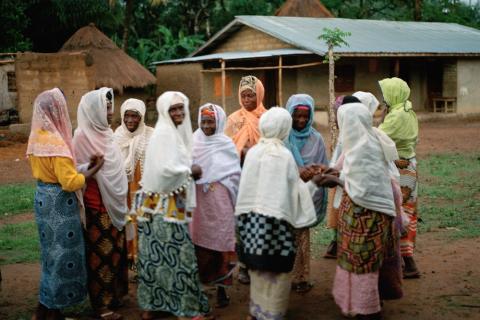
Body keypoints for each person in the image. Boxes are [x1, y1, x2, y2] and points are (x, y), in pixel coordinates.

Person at [315, 102, 399, 320]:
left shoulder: (366, 146)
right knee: (361, 262)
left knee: (364, 263)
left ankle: (369, 310)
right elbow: (344, 167)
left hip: (370, 215)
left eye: (343, 122)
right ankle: (362, 303)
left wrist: (333, 178)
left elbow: (361, 184)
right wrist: (327, 171)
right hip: (360, 214)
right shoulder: (362, 140)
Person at [27, 88, 104, 320]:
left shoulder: (36, 137)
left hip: (42, 198)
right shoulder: (57, 144)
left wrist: (81, 167)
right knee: (62, 255)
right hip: (59, 204)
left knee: (50, 255)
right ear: (55, 110)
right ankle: (52, 309)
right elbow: (70, 182)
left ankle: (45, 307)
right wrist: (94, 169)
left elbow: (56, 172)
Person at [235, 107, 317, 320]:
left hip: (251, 222)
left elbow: (245, 189)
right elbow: (294, 191)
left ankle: (256, 311)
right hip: (277, 226)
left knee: (257, 269)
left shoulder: (253, 153)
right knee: (277, 272)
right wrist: (315, 183)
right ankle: (271, 313)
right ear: (285, 128)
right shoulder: (283, 155)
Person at [135, 91, 210, 320]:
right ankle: (186, 310)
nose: (178, 113)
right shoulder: (165, 134)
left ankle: (154, 306)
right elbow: (164, 171)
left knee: (155, 258)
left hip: (159, 203)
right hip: (163, 207)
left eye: (180, 108)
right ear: (164, 111)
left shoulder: (170, 133)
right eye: (173, 109)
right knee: (180, 256)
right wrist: (190, 171)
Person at [73, 88, 129, 320]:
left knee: (116, 251)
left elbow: (116, 170)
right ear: (93, 110)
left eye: (109, 107)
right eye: (105, 108)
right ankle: (101, 306)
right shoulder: (81, 137)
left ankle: (114, 295)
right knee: (100, 256)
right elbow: (76, 170)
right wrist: (93, 167)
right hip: (96, 205)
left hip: (115, 204)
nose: (109, 112)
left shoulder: (108, 134)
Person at [190, 103, 241, 308]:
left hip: (220, 201)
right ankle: (200, 288)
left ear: (219, 122)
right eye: (203, 121)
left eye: (211, 121)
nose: (206, 126)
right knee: (199, 243)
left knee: (221, 240)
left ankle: (222, 289)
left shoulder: (226, 144)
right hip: (199, 203)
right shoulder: (193, 141)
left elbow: (235, 174)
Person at [224, 75, 267, 284]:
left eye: (251, 95)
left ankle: (259, 262)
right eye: (244, 96)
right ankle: (243, 265)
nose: (248, 99)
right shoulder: (233, 120)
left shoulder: (267, 118)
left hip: (262, 178)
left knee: (260, 221)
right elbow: (225, 149)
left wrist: (256, 151)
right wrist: (242, 152)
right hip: (239, 177)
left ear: (259, 94)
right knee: (241, 222)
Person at [284, 94, 328, 293]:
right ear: (289, 114)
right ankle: (283, 278)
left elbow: (322, 167)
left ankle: (301, 277)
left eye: (305, 116)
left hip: (306, 195)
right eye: (296, 115)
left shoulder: (316, 138)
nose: (301, 120)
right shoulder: (283, 137)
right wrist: (295, 173)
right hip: (284, 196)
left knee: (302, 237)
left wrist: (312, 172)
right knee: (284, 238)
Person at [378, 77, 420, 279]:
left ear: (393, 94)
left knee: (400, 214)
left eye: (385, 93)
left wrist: (381, 120)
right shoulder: (408, 111)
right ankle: (407, 260)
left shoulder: (396, 117)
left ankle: (409, 263)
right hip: (409, 164)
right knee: (408, 212)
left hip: (400, 167)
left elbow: (377, 137)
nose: (383, 98)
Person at [114, 98, 154, 268]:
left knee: (143, 221)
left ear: (142, 117)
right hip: (124, 190)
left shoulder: (151, 134)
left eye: (135, 116)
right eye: (127, 116)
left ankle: (143, 258)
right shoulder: (117, 136)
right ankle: (130, 256)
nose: (130, 120)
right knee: (127, 221)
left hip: (144, 189)